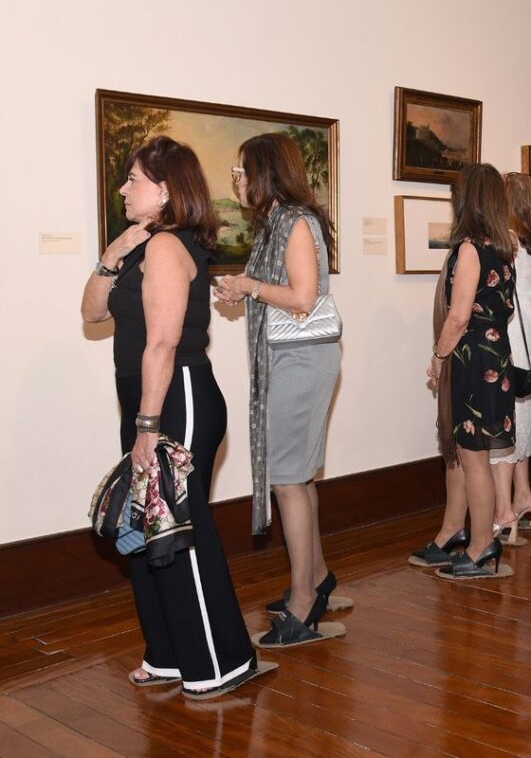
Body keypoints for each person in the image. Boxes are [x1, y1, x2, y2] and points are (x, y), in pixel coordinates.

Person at [81, 136, 267, 699]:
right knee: (146, 527)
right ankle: (167, 654)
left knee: (180, 529)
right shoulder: (140, 246)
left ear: (164, 190)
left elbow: (162, 344)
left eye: (132, 179)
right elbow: (91, 310)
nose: (122, 188)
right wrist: (112, 253)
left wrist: (146, 429)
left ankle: (221, 660)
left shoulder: (167, 249)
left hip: (175, 398)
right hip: (146, 400)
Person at [214, 133, 343, 646]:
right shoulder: (277, 222)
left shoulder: (294, 221)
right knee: (299, 478)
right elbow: (281, 290)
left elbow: (304, 297)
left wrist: (249, 287)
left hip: (300, 360)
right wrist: (241, 287)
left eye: (242, 172)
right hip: (290, 359)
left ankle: (303, 603)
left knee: (288, 479)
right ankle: (314, 578)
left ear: (266, 173)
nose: (238, 182)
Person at [424, 163, 517, 579]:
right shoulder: (504, 246)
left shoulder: (469, 249)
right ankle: (479, 542)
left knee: (474, 458)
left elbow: (458, 316)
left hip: (472, 358)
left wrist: (439, 358)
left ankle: (481, 546)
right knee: (476, 455)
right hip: (496, 355)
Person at [490, 172, 531, 538]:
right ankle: (525, 495)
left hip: (511, 339)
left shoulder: (508, 242)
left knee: (504, 423)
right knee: (525, 416)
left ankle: (504, 510)